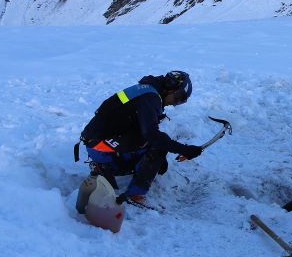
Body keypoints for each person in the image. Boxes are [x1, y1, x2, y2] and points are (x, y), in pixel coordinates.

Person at [78, 70, 203, 207]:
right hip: (101, 146)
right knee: (158, 146)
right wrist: (184, 149)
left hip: (94, 142)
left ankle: (104, 165)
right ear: (171, 89)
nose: (174, 103)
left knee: (152, 143)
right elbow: (152, 136)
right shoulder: (151, 98)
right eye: (178, 98)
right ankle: (134, 193)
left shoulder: (145, 90)